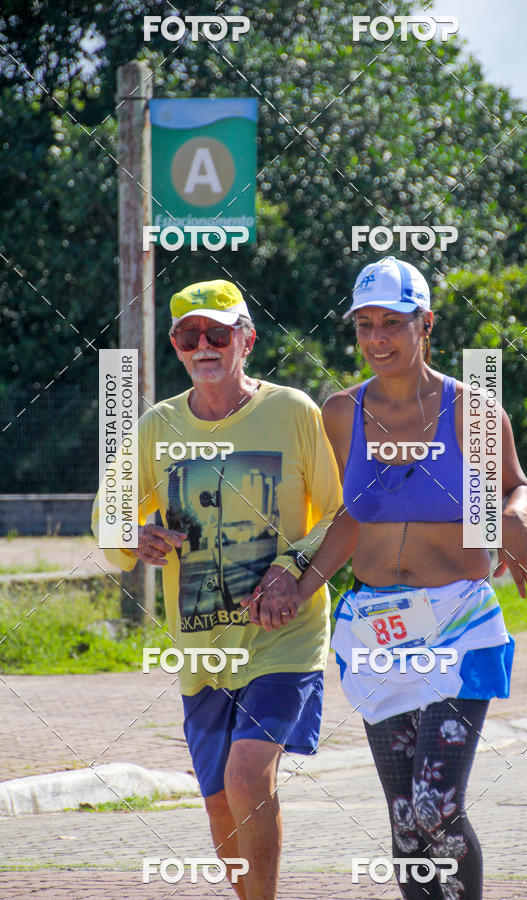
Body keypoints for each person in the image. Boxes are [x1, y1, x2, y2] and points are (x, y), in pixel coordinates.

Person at [289, 257, 527, 899]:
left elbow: (515, 488)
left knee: (434, 807)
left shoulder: (470, 408)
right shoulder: (342, 412)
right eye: (366, 325)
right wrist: (299, 582)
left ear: (425, 324)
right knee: (406, 825)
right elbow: (349, 516)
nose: (378, 339)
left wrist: (514, 519)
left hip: (458, 620)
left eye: (394, 324)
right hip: (379, 626)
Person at [92, 279, 342, 900]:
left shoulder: (294, 412)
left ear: (246, 340)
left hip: (284, 635)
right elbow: (108, 516)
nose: (203, 346)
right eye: (187, 335)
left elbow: (340, 516)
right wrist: (137, 538)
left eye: (218, 333)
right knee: (218, 805)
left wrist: (292, 569)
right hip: (202, 649)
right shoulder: (157, 426)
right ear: (176, 346)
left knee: (248, 772)